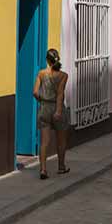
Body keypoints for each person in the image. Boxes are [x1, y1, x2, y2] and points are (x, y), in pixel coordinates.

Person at [33, 48, 69, 179]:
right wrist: (58, 110)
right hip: (57, 107)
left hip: (44, 108)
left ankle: (43, 169)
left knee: (44, 142)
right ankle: (61, 166)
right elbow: (60, 94)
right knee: (61, 140)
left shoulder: (41, 74)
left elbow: (35, 92)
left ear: (47, 60)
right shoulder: (63, 75)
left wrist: (42, 101)